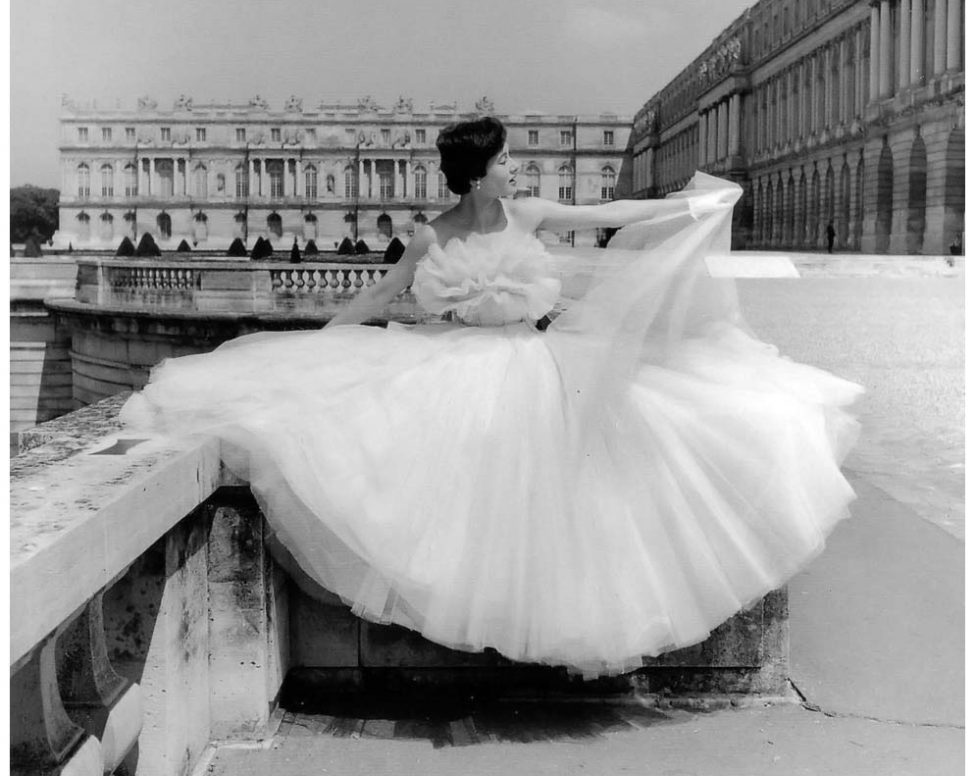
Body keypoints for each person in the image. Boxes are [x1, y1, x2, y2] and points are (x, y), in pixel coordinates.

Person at [121, 116, 861, 678]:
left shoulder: (531, 213)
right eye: (506, 160)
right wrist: (321, 342)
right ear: (477, 175)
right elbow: (381, 293)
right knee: (460, 495)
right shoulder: (427, 236)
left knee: (576, 483)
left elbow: (610, 219)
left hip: (527, 363)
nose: (517, 169)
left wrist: (693, 210)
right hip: (455, 367)